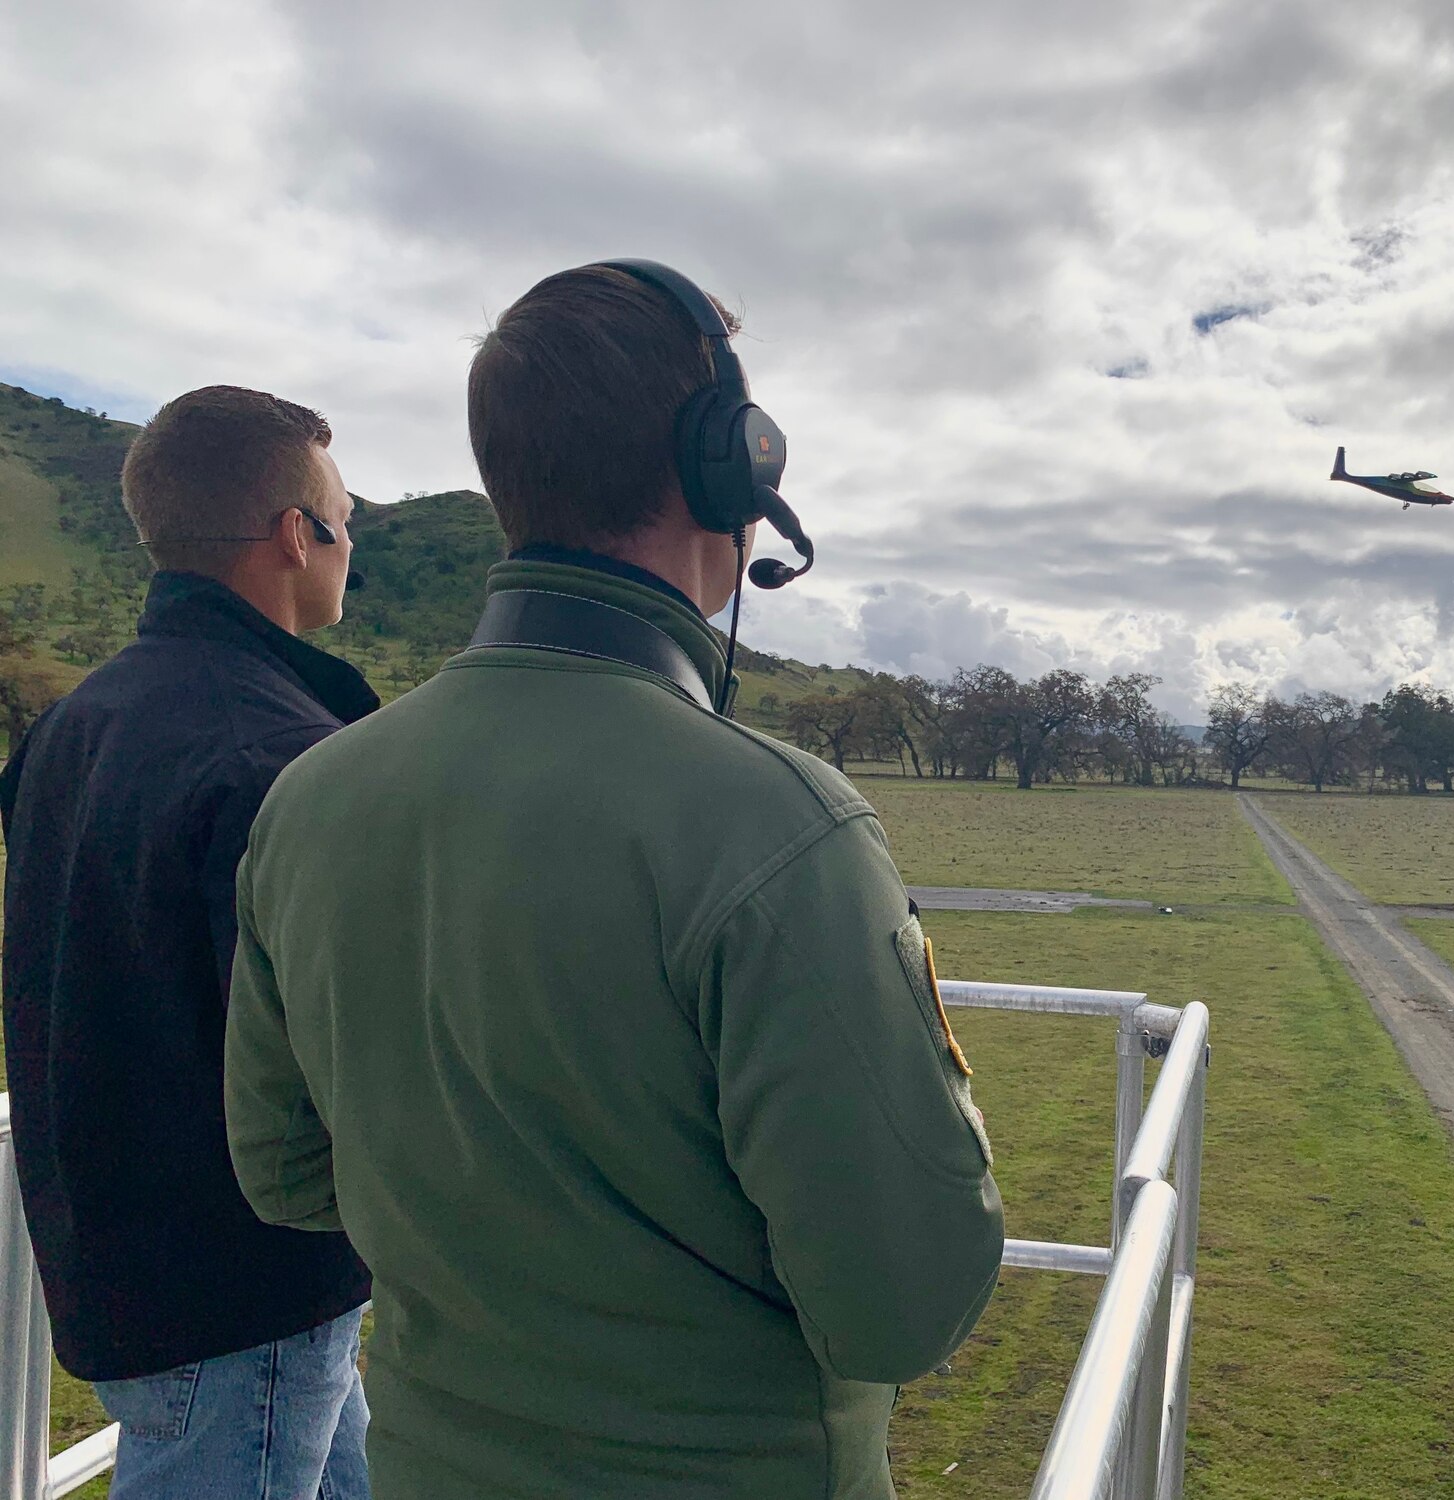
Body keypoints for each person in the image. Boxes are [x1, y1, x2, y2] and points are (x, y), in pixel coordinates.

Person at [224, 262, 1005, 1500]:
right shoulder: (778, 822)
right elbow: (902, 1306)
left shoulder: (311, 799)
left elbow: (285, 1175)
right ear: (729, 471)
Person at [0, 386, 375, 1498]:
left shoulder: (81, 722)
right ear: (293, 536)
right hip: (243, 1272)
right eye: (344, 523)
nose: (348, 549)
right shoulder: (277, 753)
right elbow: (320, 1047)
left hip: (112, 1245)